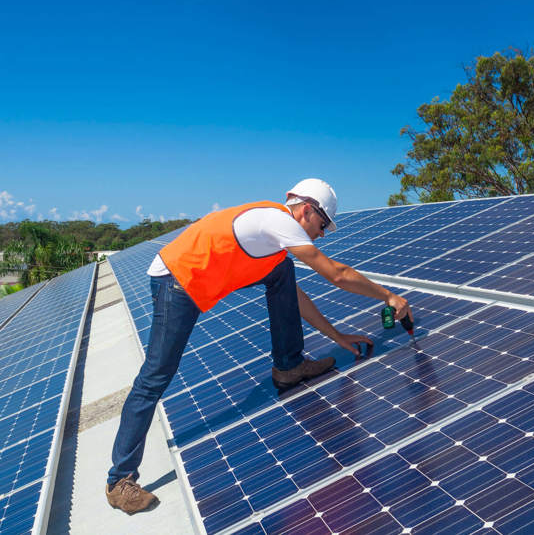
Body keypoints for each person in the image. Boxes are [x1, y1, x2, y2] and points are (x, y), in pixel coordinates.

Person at [105, 179, 413, 515]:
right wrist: (389, 296)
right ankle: (119, 480)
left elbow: (296, 298)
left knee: (282, 272)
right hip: (177, 281)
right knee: (156, 376)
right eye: (323, 225)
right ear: (307, 210)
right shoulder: (278, 221)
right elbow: (336, 274)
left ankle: (289, 366)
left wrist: (338, 336)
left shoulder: (274, 244)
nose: (322, 233)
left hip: (198, 277)